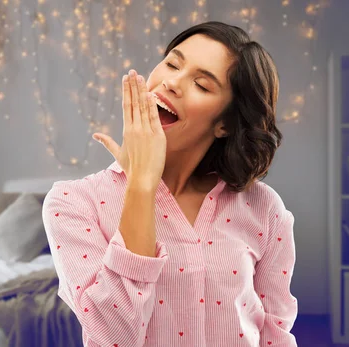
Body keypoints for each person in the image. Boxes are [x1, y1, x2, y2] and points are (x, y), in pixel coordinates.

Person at [42, 21, 297, 347]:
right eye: (173, 64)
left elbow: (274, 332)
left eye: (202, 85)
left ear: (224, 124)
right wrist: (141, 187)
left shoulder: (264, 208)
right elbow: (112, 335)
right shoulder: (72, 202)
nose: (173, 82)